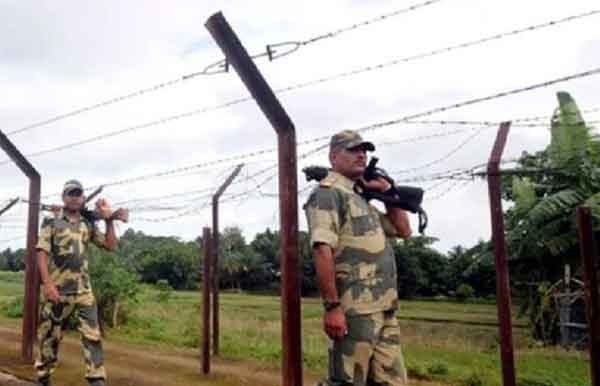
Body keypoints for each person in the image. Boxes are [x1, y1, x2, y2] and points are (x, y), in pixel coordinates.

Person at [304, 130, 412, 386]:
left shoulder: (359, 199)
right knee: (348, 381)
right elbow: (322, 249)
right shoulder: (328, 194)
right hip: (355, 310)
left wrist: (388, 191)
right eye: (353, 150)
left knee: (394, 382)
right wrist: (332, 307)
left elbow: (403, 230)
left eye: (364, 150)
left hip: (384, 308)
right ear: (333, 157)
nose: (361, 155)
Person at [35, 180, 120, 386]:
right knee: (50, 336)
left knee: (92, 336)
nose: (74, 197)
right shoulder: (52, 221)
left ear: (82, 198)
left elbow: (110, 245)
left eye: (78, 194)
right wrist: (47, 284)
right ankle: (44, 376)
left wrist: (109, 219)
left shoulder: (87, 224)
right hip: (58, 290)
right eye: (70, 193)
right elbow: (41, 252)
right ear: (64, 197)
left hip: (83, 291)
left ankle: (96, 378)